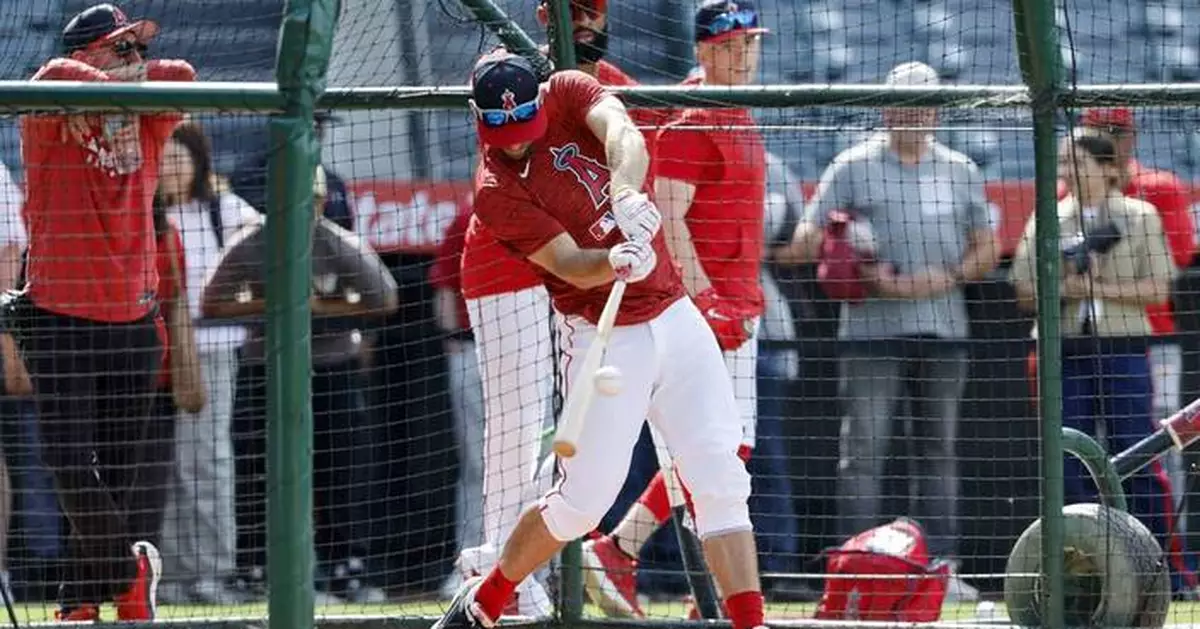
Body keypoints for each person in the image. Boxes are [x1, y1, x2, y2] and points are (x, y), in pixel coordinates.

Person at [432, 50, 764, 629]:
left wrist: (628, 194)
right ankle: (486, 597)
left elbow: (623, 134)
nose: (514, 142)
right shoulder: (495, 189)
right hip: (605, 337)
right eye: (500, 131)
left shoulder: (567, 89)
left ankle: (750, 622)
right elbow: (565, 261)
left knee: (721, 479)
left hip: (675, 313)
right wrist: (612, 258)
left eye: (523, 128)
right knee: (583, 502)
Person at [451, 0, 667, 617]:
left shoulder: (597, 84)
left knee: (585, 426)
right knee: (516, 425)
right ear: (546, 18)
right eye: (570, 14)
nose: (584, 24)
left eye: (592, 13)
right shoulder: (506, 68)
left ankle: (514, 564)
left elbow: (626, 138)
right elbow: (511, 83)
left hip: (585, 279)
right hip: (508, 269)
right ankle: (496, 573)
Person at [779, 61, 999, 602]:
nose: (912, 113)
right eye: (901, 102)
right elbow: (812, 233)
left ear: (936, 111)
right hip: (871, 331)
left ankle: (942, 570)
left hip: (945, 328)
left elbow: (989, 248)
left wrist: (941, 279)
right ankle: (854, 567)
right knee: (863, 451)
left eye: (923, 104)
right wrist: (841, 249)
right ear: (884, 106)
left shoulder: (960, 169)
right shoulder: (852, 166)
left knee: (939, 451)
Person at [581, 1, 769, 616]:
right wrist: (707, 301)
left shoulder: (734, 106)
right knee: (718, 450)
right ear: (705, 50)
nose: (743, 56)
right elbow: (667, 210)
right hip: (711, 309)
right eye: (731, 46)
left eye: (750, 44)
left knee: (723, 453)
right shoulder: (695, 114)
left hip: (740, 302)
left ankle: (701, 589)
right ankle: (622, 549)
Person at [13, 2, 195, 621]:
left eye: (138, 49)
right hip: (58, 313)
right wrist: (113, 77)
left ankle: (80, 599)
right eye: (122, 48)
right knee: (67, 466)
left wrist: (129, 75)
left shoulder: (146, 117)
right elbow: (53, 75)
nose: (138, 60)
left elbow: (185, 74)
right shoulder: (48, 105)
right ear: (89, 54)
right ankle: (130, 571)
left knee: (112, 476)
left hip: (135, 321)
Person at [203, 165, 397, 604]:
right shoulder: (253, 240)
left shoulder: (336, 241)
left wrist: (319, 305)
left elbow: (385, 297)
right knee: (255, 465)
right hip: (265, 368)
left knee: (340, 466)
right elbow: (211, 301)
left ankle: (344, 567)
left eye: (308, 200)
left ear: (321, 202)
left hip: (330, 367)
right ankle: (256, 567)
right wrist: (274, 303)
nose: (299, 209)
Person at [1010, 130, 1190, 594]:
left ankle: (1167, 575)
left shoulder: (1140, 216)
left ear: (1109, 168)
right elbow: (1024, 293)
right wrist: (1061, 282)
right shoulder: (1048, 218)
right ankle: (1089, 578)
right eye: (1063, 163)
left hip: (1124, 347)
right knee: (1067, 462)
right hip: (1064, 352)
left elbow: (1158, 290)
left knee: (1139, 455)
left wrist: (1095, 288)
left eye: (1077, 162)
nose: (1067, 171)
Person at [154, 121, 260, 604]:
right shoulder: (148, 213)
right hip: (159, 353)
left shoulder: (224, 208)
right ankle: (173, 577)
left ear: (198, 162)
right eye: (162, 160)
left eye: (179, 159)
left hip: (214, 349)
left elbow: (265, 245)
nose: (170, 169)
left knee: (208, 461)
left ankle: (214, 573)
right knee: (168, 463)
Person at [229, 111, 354, 231]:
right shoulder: (248, 175)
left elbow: (345, 228)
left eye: (320, 126)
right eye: (311, 125)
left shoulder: (334, 181)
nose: (318, 133)